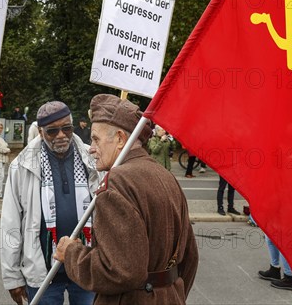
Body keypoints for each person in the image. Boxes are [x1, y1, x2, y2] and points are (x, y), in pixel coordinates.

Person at [54, 94, 199, 304]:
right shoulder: (166, 175)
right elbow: (190, 258)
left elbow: (120, 271)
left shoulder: (118, 181)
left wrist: (71, 254)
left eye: (96, 139)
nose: (92, 148)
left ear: (121, 139)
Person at [0, 101, 100, 305]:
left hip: (86, 265)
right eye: (53, 131)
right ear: (40, 132)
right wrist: (12, 278)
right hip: (42, 271)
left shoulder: (93, 158)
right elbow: (10, 224)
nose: (61, 135)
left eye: (66, 128)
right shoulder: (22, 165)